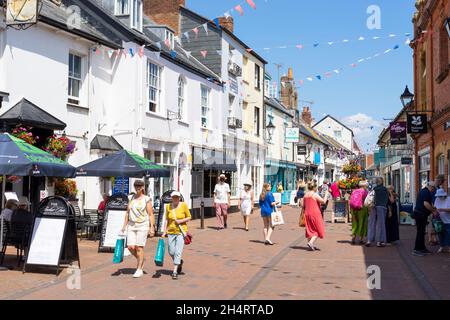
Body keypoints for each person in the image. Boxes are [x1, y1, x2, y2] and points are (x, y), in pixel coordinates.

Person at [121, 180, 155, 278]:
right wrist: (124, 226)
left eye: (140, 186)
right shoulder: (130, 197)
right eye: (136, 186)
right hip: (132, 225)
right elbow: (127, 212)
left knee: (139, 247)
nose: (138, 187)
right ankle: (141, 259)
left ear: (143, 187)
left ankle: (139, 269)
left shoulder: (146, 199)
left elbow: (151, 214)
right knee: (131, 247)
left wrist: (151, 227)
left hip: (142, 225)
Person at [162, 191, 191, 280]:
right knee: (171, 251)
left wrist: (181, 221)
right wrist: (164, 231)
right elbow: (166, 219)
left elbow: (189, 217)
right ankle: (179, 262)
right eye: (174, 197)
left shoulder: (183, 205)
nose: (175, 199)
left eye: (177, 197)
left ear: (179, 198)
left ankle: (175, 271)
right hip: (171, 231)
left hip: (181, 232)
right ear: (172, 198)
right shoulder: (168, 206)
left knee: (178, 251)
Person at [412, 181, 437, 257]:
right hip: (421, 214)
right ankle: (417, 249)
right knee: (420, 232)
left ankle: (422, 248)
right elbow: (425, 204)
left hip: (419, 214)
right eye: (433, 188)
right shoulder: (426, 192)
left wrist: (432, 208)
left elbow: (427, 203)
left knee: (422, 232)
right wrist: (433, 211)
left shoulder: (423, 191)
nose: (433, 190)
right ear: (431, 187)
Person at [303, 182, 326, 251]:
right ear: (314, 188)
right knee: (318, 228)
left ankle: (310, 244)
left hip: (307, 213)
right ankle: (311, 242)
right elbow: (323, 201)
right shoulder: (314, 194)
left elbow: (302, 205)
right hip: (315, 213)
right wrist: (326, 195)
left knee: (309, 228)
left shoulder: (305, 195)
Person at [366, 177, 389, 248]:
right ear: (383, 182)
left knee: (371, 223)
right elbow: (388, 200)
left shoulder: (374, 189)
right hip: (382, 207)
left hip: (373, 206)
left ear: (376, 182)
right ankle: (379, 241)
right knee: (380, 224)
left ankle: (369, 240)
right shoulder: (385, 189)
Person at [350, 181, 369, 245]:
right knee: (362, 223)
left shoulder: (354, 191)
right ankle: (360, 239)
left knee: (354, 223)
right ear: (364, 186)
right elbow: (368, 201)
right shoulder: (365, 192)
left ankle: (353, 237)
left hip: (354, 209)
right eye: (366, 186)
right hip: (362, 209)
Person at [434, 188, 450, 253]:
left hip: (448, 219)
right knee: (440, 233)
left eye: (440, 196)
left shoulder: (448, 199)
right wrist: (435, 212)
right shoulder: (437, 199)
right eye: (438, 196)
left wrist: (442, 209)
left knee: (448, 233)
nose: (439, 197)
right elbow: (435, 208)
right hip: (439, 219)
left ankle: (449, 246)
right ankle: (441, 246)